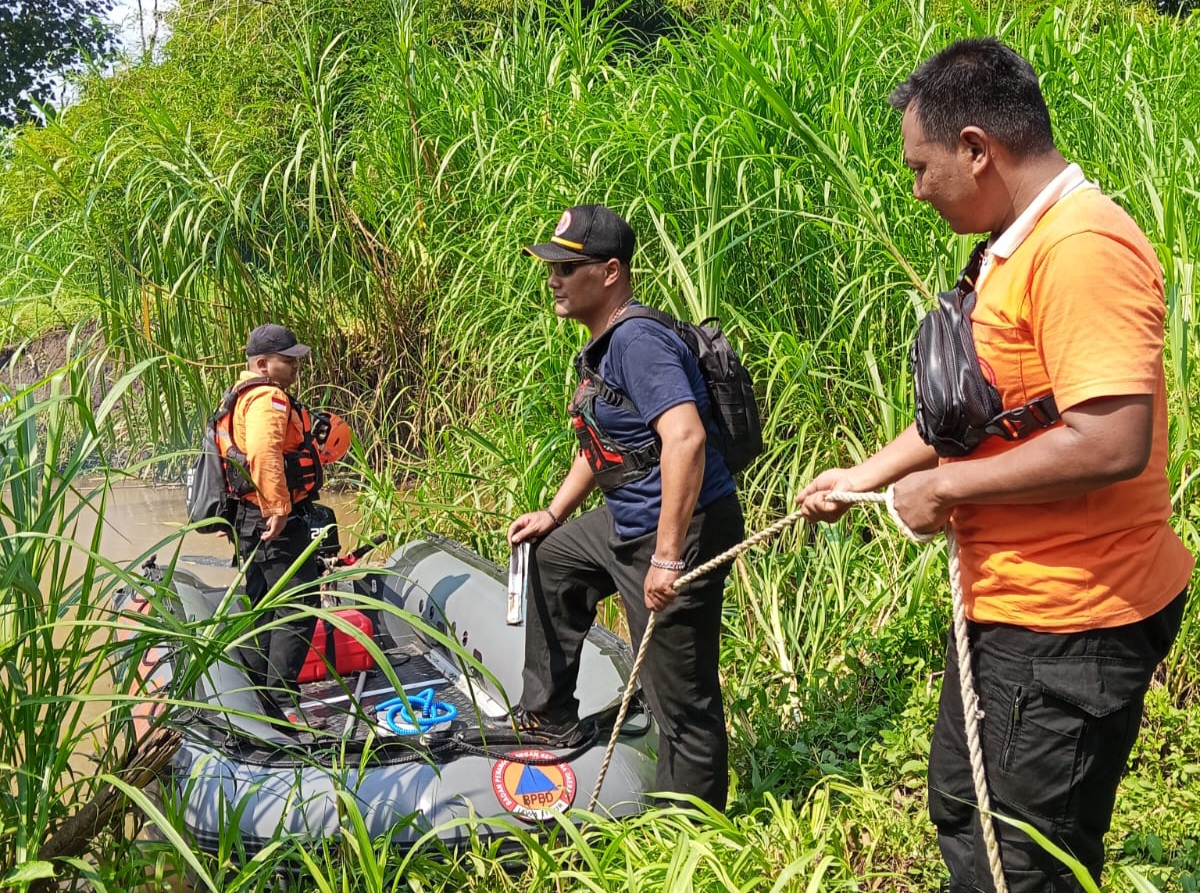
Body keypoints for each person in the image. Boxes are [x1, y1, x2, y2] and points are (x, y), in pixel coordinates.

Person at [798, 38, 1193, 892]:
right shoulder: (1013, 245)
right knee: (963, 807)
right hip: (1010, 603)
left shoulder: (1082, 248)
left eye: (921, 167)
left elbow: (1110, 439)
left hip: (1070, 618)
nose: (915, 189)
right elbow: (982, 414)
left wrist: (945, 487)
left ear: (978, 149)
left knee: (1020, 859)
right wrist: (865, 475)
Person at [494, 204, 746, 809]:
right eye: (550, 267)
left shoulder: (637, 341)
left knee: (680, 699)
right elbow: (611, 447)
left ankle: (687, 828)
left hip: (679, 529)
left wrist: (666, 558)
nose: (553, 278)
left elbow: (685, 437)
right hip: (629, 516)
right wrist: (554, 513)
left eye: (566, 267)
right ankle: (549, 717)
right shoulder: (606, 345)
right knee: (552, 557)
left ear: (610, 273)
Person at [223, 323, 328, 726]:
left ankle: (256, 698)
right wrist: (279, 508)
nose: (296, 365)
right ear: (263, 364)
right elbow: (265, 453)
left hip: (248, 517)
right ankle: (280, 703)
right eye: (288, 360)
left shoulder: (238, 395)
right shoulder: (268, 397)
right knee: (298, 607)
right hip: (271, 519)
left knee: (264, 608)